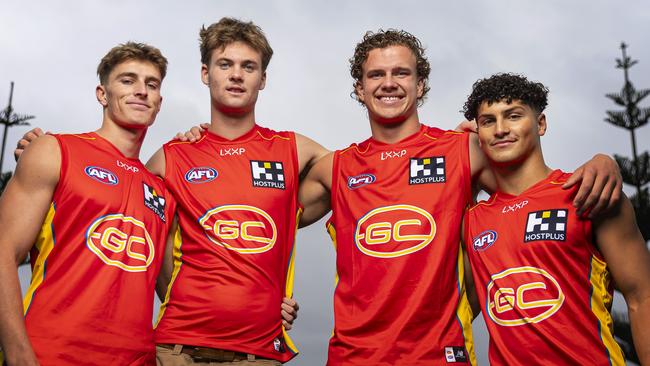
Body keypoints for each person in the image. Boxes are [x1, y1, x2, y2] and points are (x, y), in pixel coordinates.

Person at [298, 30, 622, 365]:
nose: (388, 83)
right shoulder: (336, 167)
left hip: (441, 354)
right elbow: (266, 219)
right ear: (359, 89)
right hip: (353, 357)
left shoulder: (463, 149)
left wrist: (603, 162)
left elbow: (533, 192)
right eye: (376, 74)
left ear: (420, 84)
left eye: (401, 73)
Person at [143, 18, 327, 365]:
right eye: (225, 64)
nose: (236, 75)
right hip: (177, 350)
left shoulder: (292, 149)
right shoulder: (171, 157)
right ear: (205, 73)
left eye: (249, 66)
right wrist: (36, 148)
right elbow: (115, 201)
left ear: (263, 78)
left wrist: (461, 141)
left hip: (257, 353)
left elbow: (368, 171)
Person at [0, 42, 176, 365]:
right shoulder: (55, 151)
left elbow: (177, 295)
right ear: (102, 94)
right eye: (127, 80)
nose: (141, 91)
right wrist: (18, 353)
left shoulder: (162, 193)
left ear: (159, 102)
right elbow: (3, 251)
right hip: (51, 355)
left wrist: (268, 305)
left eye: (151, 84)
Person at [461, 73, 650, 365]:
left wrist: (605, 160)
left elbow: (642, 298)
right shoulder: (472, 221)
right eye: (488, 121)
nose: (500, 129)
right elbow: (452, 315)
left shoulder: (587, 193)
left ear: (540, 124)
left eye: (513, 116)